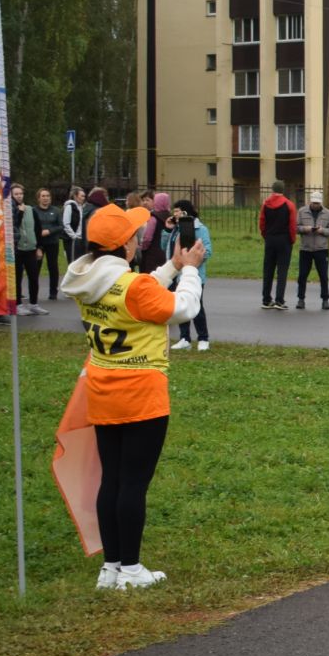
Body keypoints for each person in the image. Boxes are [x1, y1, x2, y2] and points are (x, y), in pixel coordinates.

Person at [57, 202, 205, 589]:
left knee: (112, 480)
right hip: (141, 394)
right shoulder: (133, 286)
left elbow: (135, 290)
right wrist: (189, 269)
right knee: (134, 484)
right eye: (134, 236)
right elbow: (183, 307)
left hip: (103, 390)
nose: (138, 241)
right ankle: (133, 569)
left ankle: (112, 567)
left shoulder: (88, 282)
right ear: (124, 246)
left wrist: (171, 267)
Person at [166, 199, 213, 352]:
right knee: (181, 306)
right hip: (178, 274)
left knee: (197, 306)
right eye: (174, 211)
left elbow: (208, 251)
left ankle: (203, 338)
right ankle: (184, 338)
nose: (175, 214)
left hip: (195, 274)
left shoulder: (201, 229)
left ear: (185, 212)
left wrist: (193, 260)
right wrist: (167, 230)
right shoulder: (176, 229)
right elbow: (165, 248)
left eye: (177, 211)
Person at [258, 180, 297, 310]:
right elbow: (292, 225)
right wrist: (292, 240)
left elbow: (262, 223)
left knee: (268, 269)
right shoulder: (289, 204)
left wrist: (266, 235)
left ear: (272, 189)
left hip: (270, 239)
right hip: (284, 239)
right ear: (283, 190)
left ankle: (266, 299)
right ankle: (279, 300)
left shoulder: (265, 204)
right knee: (282, 270)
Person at [295, 191, 329, 311]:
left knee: (323, 276)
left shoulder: (328, 213)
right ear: (310, 201)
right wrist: (305, 229)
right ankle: (301, 299)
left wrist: (322, 231)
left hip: (321, 249)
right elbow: (295, 227)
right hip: (305, 248)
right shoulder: (302, 211)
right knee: (302, 275)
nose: (315, 205)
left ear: (320, 202)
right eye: (313, 203)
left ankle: (325, 300)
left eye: (317, 203)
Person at [9, 184, 45, 316]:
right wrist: (20, 212)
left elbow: (38, 229)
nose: (19, 196)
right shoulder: (11, 210)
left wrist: (39, 247)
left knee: (34, 277)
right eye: (16, 194)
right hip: (17, 249)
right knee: (17, 278)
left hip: (31, 248)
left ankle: (33, 304)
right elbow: (14, 226)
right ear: (11, 196)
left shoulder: (31, 209)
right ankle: (18, 304)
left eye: (21, 194)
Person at [33, 187, 63, 302]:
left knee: (53, 267)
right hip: (38, 243)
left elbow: (60, 226)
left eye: (47, 196)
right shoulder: (33, 210)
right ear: (39, 198)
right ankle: (34, 292)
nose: (45, 198)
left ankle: (53, 292)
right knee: (36, 268)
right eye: (43, 196)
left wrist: (49, 231)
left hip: (52, 242)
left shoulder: (56, 210)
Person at [61, 186, 87, 263]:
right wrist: (74, 237)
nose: (83, 198)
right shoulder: (69, 207)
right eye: (82, 196)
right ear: (75, 196)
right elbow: (66, 224)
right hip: (72, 240)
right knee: (73, 262)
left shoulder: (82, 207)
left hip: (81, 239)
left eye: (84, 196)